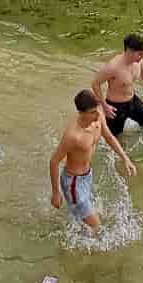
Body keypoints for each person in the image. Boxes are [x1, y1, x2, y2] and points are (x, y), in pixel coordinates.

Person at [49, 89, 137, 232]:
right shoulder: (73, 136)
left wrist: (125, 159)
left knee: (82, 219)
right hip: (73, 183)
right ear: (81, 113)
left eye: (97, 110)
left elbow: (109, 137)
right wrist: (55, 193)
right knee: (96, 226)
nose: (98, 115)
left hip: (87, 176)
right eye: (92, 112)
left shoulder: (98, 117)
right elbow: (54, 161)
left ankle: (74, 229)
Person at [92, 34, 143, 136]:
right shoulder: (113, 67)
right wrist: (104, 106)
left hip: (133, 101)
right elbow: (95, 84)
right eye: (140, 54)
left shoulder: (138, 60)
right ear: (129, 51)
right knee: (114, 139)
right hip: (115, 108)